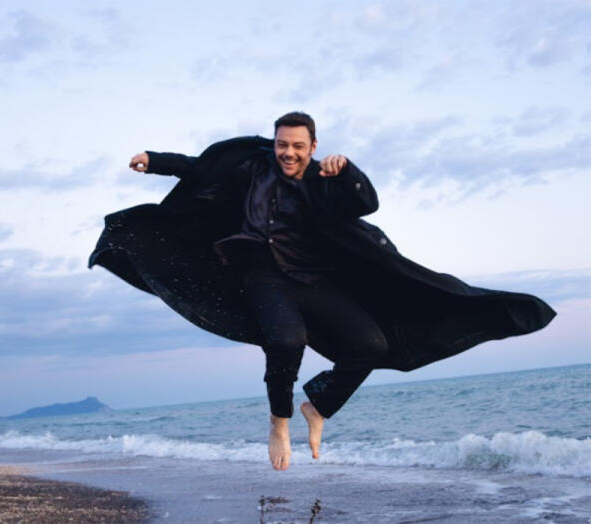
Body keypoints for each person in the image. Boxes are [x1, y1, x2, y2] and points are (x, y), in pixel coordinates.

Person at [89, 111, 556, 471]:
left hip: (313, 280)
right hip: (261, 275)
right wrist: (154, 161)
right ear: (274, 143)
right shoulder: (252, 168)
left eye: (298, 146)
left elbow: (366, 202)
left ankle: (318, 407)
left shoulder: (326, 180)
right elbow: (198, 170)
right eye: (282, 144)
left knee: (371, 344)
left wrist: (348, 170)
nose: (288, 153)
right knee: (286, 339)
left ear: (313, 147)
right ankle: (280, 421)